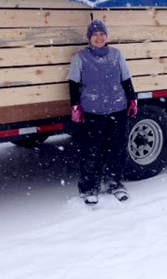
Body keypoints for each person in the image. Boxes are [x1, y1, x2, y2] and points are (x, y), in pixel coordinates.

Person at [67, 20, 138, 206]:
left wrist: (132, 99)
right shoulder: (80, 58)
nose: (99, 38)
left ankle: (114, 183)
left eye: (101, 34)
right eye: (95, 34)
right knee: (92, 150)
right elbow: (73, 83)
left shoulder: (116, 55)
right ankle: (89, 187)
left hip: (117, 108)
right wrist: (75, 106)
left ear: (106, 36)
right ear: (89, 38)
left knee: (117, 148)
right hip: (92, 111)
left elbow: (126, 78)